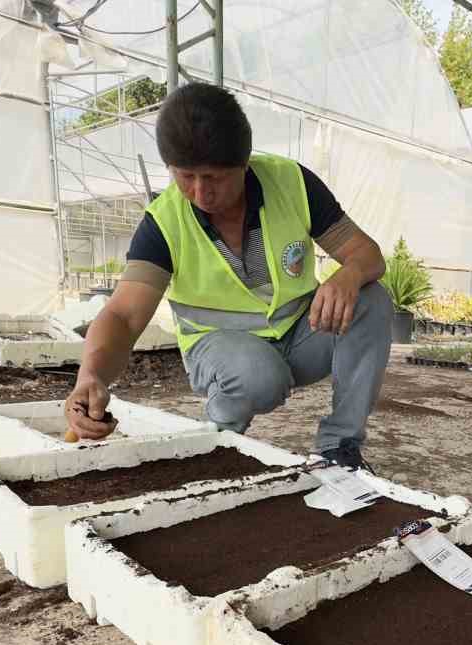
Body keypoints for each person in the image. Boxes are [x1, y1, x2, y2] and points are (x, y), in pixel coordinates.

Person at [63, 83, 392, 471]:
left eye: (214, 177)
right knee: (258, 374)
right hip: (221, 352)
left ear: (244, 162)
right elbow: (122, 315)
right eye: (186, 177)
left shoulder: (292, 184)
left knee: (372, 299)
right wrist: (91, 375)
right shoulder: (164, 222)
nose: (201, 192)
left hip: (301, 337)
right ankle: (214, 445)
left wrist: (348, 274)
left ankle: (339, 449)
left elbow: (367, 255)